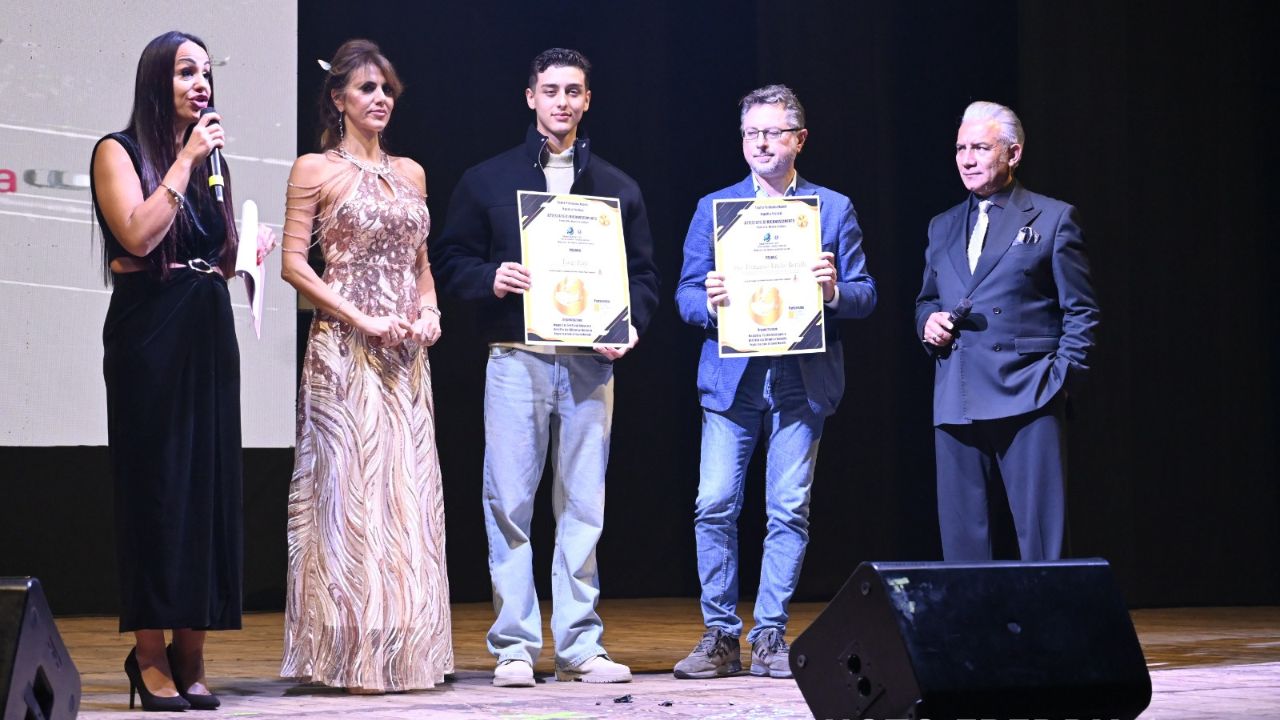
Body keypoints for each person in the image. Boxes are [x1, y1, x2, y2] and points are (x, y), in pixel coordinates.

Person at [432, 47, 659, 688]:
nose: (562, 101)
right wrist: (490, 277)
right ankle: (513, 646)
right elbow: (449, 261)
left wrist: (630, 325)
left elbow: (642, 277)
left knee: (584, 504)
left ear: (588, 100)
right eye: (551, 90)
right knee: (509, 500)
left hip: (590, 362)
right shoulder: (487, 180)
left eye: (574, 91)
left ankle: (581, 644)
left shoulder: (617, 188)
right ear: (529, 96)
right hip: (516, 357)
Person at [90, 30, 273, 712]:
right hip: (150, 341)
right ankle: (149, 654)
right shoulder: (120, 151)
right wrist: (185, 159)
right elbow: (137, 234)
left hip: (206, 335)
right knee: (155, 494)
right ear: (155, 83)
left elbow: (209, 257)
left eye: (206, 72)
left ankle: (194, 651)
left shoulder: (210, 163)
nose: (201, 83)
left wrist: (244, 255)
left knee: (206, 494)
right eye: (185, 72)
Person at [673, 85, 877, 680]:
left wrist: (833, 290)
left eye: (772, 132)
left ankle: (768, 635)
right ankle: (718, 635)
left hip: (801, 379)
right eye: (750, 133)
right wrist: (709, 304)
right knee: (714, 504)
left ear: (799, 140)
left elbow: (866, 294)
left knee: (788, 510)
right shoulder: (716, 208)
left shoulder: (831, 209)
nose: (760, 143)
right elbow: (686, 294)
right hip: (732, 381)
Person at [279, 39, 453, 693]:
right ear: (339, 99)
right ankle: (346, 655)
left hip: (404, 354)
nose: (379, 99)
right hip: (344, 351)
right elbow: (295, 264)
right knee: (348, 499)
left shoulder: (411, 173)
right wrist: (358, 316)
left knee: (404, 498)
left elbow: (422, 267)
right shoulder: (314, 169)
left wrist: (430, 315)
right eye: (365, 89)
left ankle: (404, 653)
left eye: (385, 89)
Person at [914, 100, 1100, 562]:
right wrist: (926, 323)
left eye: (980, 147)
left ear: (1013, 154)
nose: (967, 158)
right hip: (956, 394)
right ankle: (973, 633)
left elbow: (1081, 311)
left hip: (1028, 391)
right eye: (960, 147)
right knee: (962, 544)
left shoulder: (1053, 218)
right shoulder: (942, 226)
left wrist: (1059, 382)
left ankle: (1051, 632)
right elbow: (927, 300)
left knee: (1041, 540)